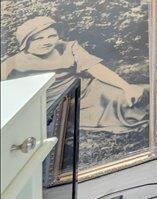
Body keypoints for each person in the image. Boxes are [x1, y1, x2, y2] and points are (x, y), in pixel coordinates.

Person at [1, 16, 148, 133]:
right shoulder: (14, 63)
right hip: (61, 101)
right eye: (39, 38)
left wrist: (126, 86)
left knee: (137, 92)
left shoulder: (68, 47)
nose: (46, 42)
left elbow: (96, 68)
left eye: (51, 36)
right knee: (120, 102)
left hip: (87, 88)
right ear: (25, 42)